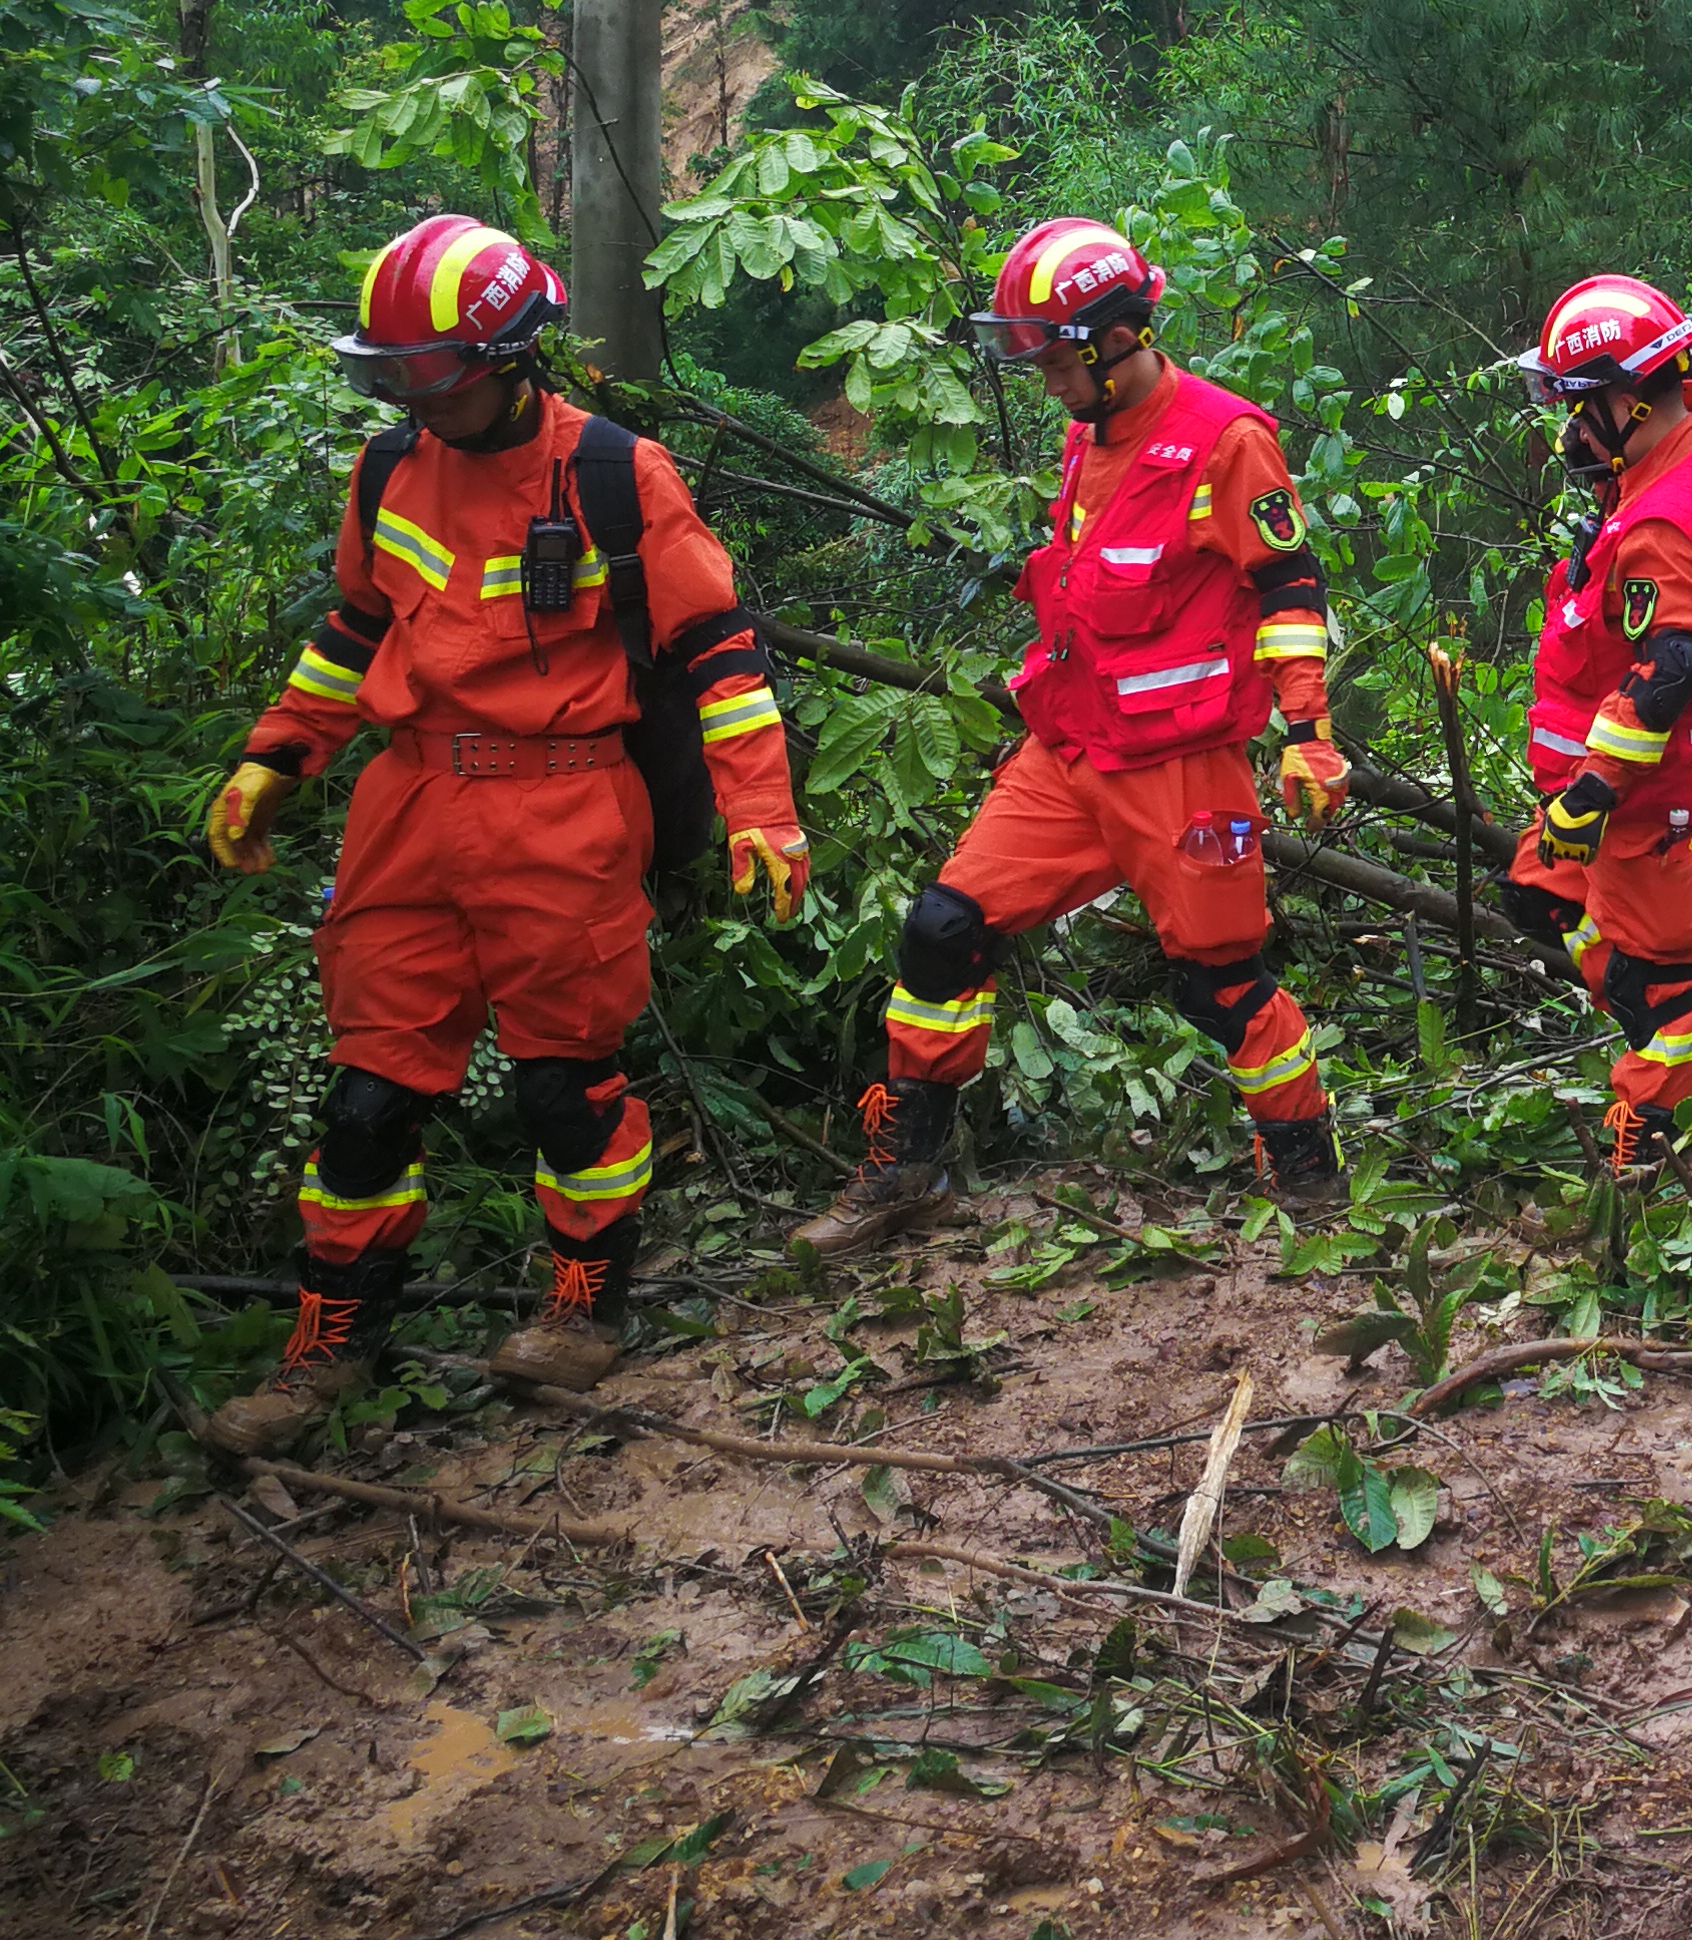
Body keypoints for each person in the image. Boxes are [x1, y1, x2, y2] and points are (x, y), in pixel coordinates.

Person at [198, 216, 809, 1455]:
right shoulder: (388, 472)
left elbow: (719, 654)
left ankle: (585, 1306)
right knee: (367, 1100)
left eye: (430, 373)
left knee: (563, 1083)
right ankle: (329, 1345)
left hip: (564, 804)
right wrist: (277, 756)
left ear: (511, 357)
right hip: (409, 809)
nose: (411, 398)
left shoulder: (614, 475)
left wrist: (762, 808)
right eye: (389, 376)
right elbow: (353, 631)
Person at [793, 221, 1349, 1255]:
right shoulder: (1084, 433)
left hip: (1181, 771)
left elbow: (1290, 590)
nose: (1042, 377)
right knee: (943, 929)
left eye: (1053, 356)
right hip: (1072, 751)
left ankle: (1310, 1180)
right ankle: (907, 1170)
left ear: (1113, 336)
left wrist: (1306, 731)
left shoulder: (1227, 441)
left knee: (1220, 983)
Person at [1498, 273, 1692, 1174]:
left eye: (1579, 408)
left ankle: (1645, 1156)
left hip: (1639, 799)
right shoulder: (1691, 458)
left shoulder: (1660, 523)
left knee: (1659, 1010)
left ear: (1623, 399)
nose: (1572, 432)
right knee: (1537, 892)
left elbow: (1666, 677)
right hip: (1627, 791)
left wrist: (1589, 793)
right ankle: (1678, 985)